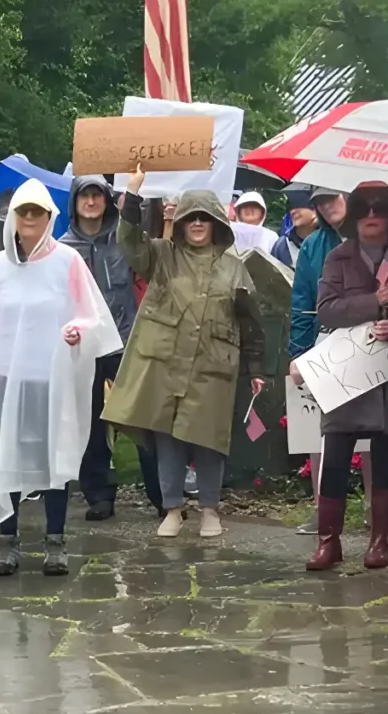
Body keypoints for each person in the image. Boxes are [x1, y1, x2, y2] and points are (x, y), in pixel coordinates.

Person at [0, 182, 122, 576]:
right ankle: (8, 542)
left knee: (55, 457)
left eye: (38, 212)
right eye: (24, 213)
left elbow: (93, 316)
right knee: (9, 457)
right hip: (6, 378)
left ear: (50, 217)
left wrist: (77, 330)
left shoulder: (68, 261)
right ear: (14, 220)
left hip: (51, 380)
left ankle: (55, 541)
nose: (31, 219)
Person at [107, 173, 268, 539]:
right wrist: (132, 193)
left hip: (214, 365)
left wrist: (256, 368)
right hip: (166, 363)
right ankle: (173, 509)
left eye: (205, 218)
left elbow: (251, 322)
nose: (197, 223)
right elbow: (130, 241)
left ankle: (210, 509)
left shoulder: (234, 267)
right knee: (169, 440)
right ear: (180, 223)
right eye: (190, 217)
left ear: (216, 224)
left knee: (211, 440)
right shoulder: (162, 256)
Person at [302, 183, 388, 571]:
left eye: (381, 208)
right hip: (347, 372)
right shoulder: (339, 257)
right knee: (335, 453)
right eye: (365, 208)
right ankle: (328, 541)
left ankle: (379, 540)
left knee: (386, 454)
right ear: (353, 214)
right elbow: (327, 310)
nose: (372, 215)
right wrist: (376, 302)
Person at [63, 174, 142, 519]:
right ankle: (98, 494)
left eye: (98, 196)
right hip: (84, 347)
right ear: (75, 203)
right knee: (90, 422)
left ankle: (161, 494)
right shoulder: (63, 248)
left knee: (141, 418)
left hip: (125, 339)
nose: (91, 202)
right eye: (85, 197)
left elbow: (144, 230)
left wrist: (137, 190)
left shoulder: (123, 240)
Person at [288, 186, 349, 357]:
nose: (326, 206)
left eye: (331, 198)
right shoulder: (312, 245)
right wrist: (298, 355)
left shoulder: (373, 237)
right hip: (324, 342)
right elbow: (301, 306)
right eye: (320, 202)